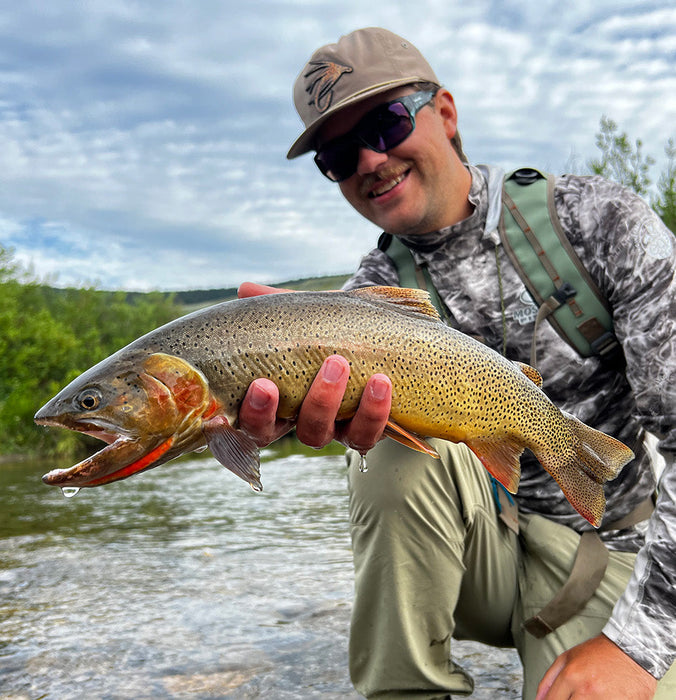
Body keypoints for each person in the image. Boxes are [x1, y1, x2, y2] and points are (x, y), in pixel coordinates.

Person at [237, 28, 676, 699]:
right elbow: (300, 419)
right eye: (336, 153)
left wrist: (636, 647)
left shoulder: (601, 222)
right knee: (384, 452)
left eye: (384, 123)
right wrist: (253, 407)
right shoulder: (369, 293)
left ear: (444, 113)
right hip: (483, 553)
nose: (368, 160)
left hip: (621, 553)